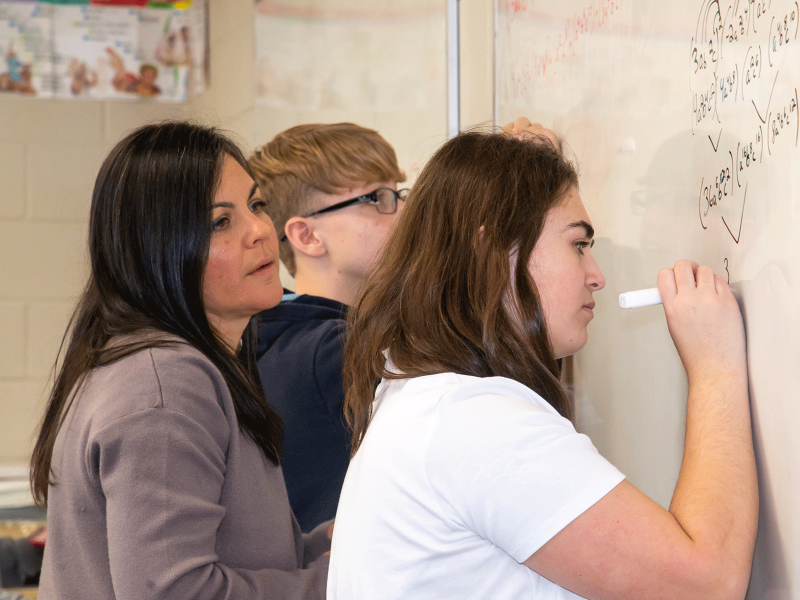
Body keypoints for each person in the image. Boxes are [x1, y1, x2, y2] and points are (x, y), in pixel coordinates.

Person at [327, 120, 758, 599]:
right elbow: (707, 585)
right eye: (578, 244)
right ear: (495, 250)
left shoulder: (429, 397)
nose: (597, 276)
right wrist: (715, 367)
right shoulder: (475, 422)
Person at [30, 122, 330, 599]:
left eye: (256, 206)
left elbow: (255, 557)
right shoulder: (166, 383)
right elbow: (175, 593)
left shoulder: (173, 364)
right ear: (159, 250)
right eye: (220, 222)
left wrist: (351, 543)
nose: (259, 231)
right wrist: (344, 584)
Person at [247, 123, 406, 532]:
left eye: (398, 194)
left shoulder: (280, 335)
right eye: (377, 198)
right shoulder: (332, 350)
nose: (402, 211)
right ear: (306, 235)